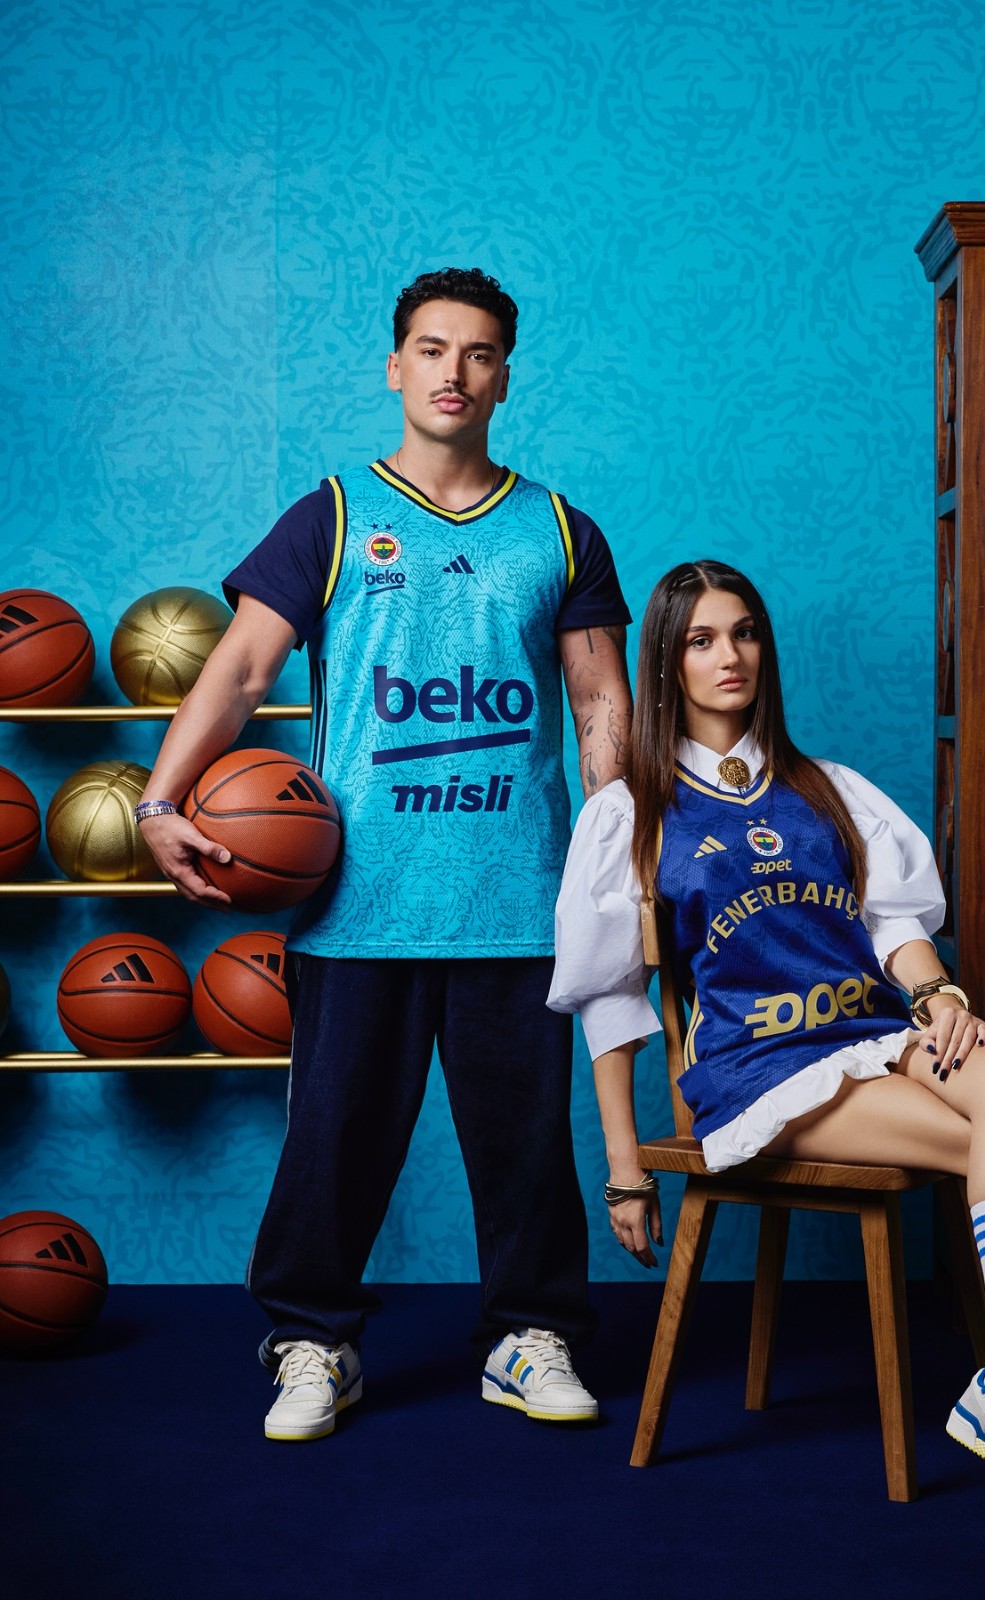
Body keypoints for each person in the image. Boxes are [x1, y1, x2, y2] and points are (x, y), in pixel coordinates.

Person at [549, 559, 985, 1547]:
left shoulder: (828, 789)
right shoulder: (631, 813)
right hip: (757, 1074)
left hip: (873, 1035)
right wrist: (623, 1171)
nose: (730, 655)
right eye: (701, 639)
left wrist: (936, 993)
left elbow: (894, 924)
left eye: (744, 632)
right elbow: (608, 1000)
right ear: (666, 661)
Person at [136, 268, 633, 1440]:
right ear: (395, 366)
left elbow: (601, 702)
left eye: (479, 353)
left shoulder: (562, 528)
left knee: (526, 1147)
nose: (455, 371)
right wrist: (159, 799)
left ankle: (530, 1334)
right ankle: (312, 1341)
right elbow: (242, 670)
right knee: (335, 1142)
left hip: (517, 896)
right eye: (433, 349)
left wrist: (617, 857)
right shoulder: (332, 513)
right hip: (361, 901)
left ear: (505, 377)